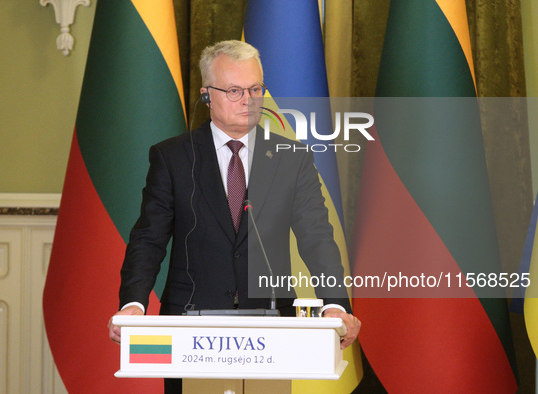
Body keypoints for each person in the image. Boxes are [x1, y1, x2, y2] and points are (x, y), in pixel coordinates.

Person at [108, 40, 360, 392]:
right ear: (207, 95)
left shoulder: (292, 158)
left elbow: (317, 237)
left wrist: (335, 304)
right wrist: (133, 303)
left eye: (256, 88)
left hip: (272, 329)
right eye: (234, 90)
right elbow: (148, 238)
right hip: (190, 328)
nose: (248, 99)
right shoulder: (173, 157)